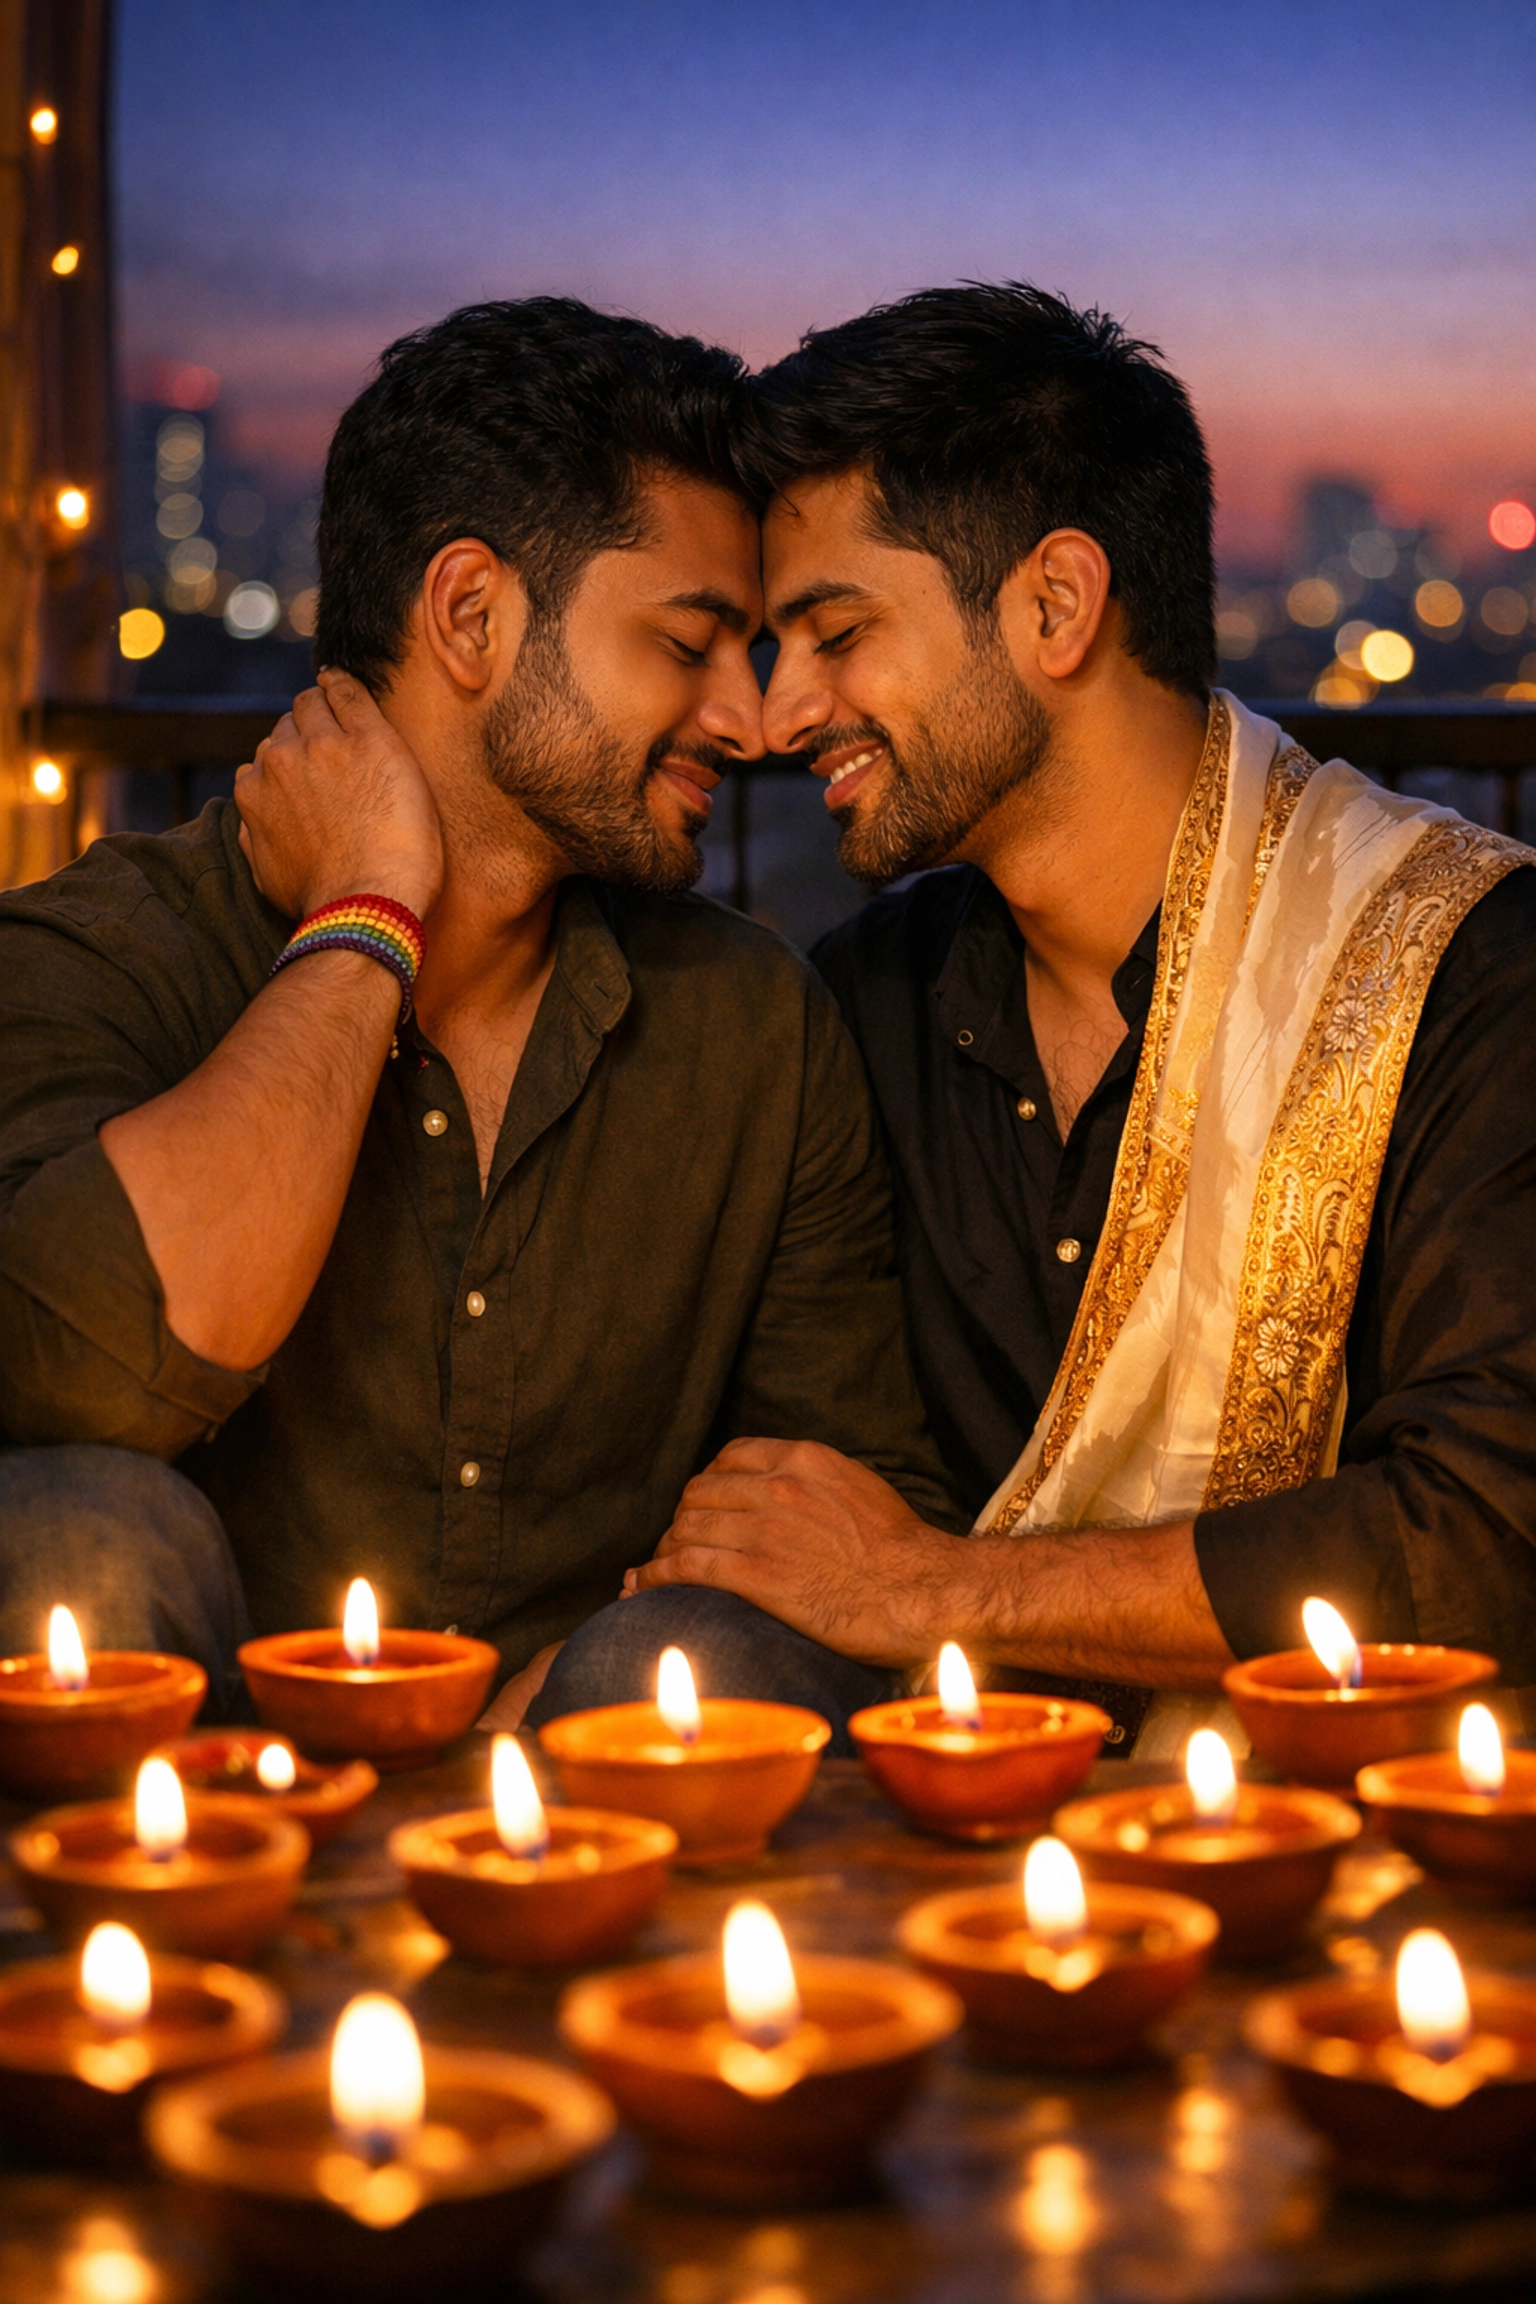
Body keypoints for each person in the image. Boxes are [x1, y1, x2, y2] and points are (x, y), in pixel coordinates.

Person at [0, 297, 961, 1733]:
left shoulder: (751, 1022)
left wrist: (577, 1683)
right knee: (75, 1535)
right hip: (188, 1788)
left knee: (684, 1669)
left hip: (580, 1784)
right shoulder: (104, 949)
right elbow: (83, 1375)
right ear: (470, 616)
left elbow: (847, 1508)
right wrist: (369, 912)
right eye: (690, 643)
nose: (749, 722)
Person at [618, 282, 1536, 1757]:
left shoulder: (1459, 964)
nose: (785, 717)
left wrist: (936, 1593)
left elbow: (1489, 1531)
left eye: (836, 632)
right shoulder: (868, 1005)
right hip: (940, 1841)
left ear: (1055, 605)